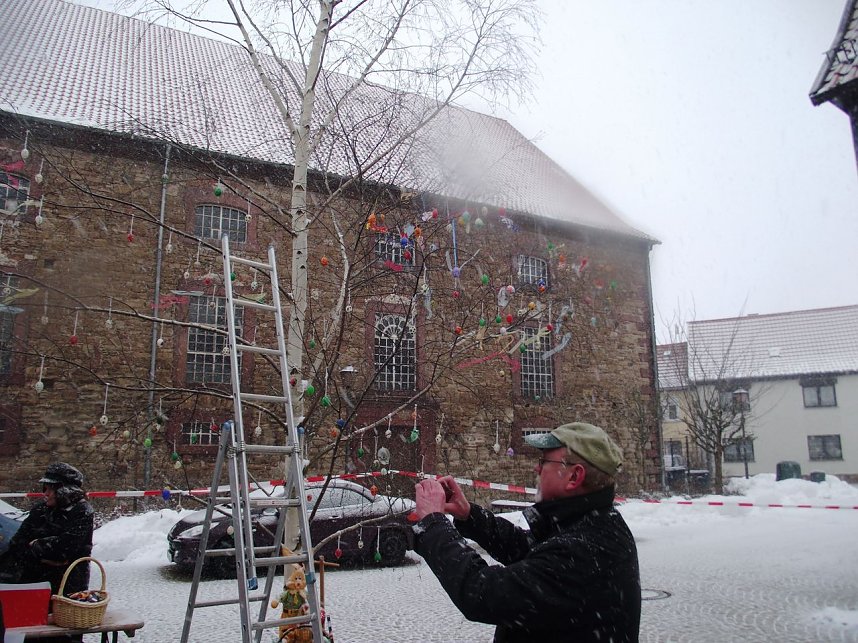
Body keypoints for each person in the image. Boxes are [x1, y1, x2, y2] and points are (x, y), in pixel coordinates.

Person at [412, 422, 641, 642]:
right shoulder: (586, 523)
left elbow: (484, 593)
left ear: (574, 476)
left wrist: (434, 524)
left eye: (544, 461)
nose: (536, 468)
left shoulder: (590, 547)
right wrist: (469, 515)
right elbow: (525, 548)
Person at [0, 462, 94, 596]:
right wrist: (42, 552)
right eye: (45, 488)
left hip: (67, 586)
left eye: (51, 489)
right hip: (34, 582)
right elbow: (17, 542)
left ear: (64, 491)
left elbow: (65, 549)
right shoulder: (40, 510)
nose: (46, 493)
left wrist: (37, 545)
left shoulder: (82, 512)